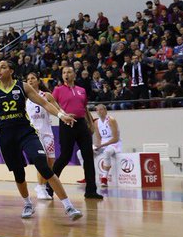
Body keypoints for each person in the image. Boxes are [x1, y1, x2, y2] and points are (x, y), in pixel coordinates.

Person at [0, 60, 83, 221]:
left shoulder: (23, 86)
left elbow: (44, 103)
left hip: (25, 132)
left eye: (3, 67)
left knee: (43, 164)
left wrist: (61, 115)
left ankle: (69, 206)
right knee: (19, 173)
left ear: (11, 71)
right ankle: (27, 204)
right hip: (6, 136)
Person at [51, 65, 103, 199]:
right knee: (65, 156)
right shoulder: (58, 90)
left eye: (69, 72)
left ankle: (91, 190)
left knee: (88, 156)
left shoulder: (82, 90)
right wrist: (62, 115)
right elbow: (51, 105)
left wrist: (91, 123)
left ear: (74, 75)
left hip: (81, 124)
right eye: (64, 72)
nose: (66, 74)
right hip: (66, 124)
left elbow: (84, 108)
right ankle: (49, 187)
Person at [25, 72, 61, 201]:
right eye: (28, 79)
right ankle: (40, 187)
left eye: (33, 78)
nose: (30, 80)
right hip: (34, 133)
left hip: (47, 132)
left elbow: (57, 109)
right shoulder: (25, 98)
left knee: (51, 161)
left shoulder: (46, 96)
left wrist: (65, 115)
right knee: (42, 160)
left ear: (38, 81)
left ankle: (43, 186)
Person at [92, 105, 122, 187]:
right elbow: (98, 138)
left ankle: (104, 178)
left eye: (101, 109)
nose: (99, 111)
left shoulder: (111, 120)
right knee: (81, 152)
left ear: (105, 111)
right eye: (97, 110)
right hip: (103, 144)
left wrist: (102, 145)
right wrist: (96, 146)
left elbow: (115, 138)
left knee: (107, 152)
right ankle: (87, 175)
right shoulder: (96, 122)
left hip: (114, 144)